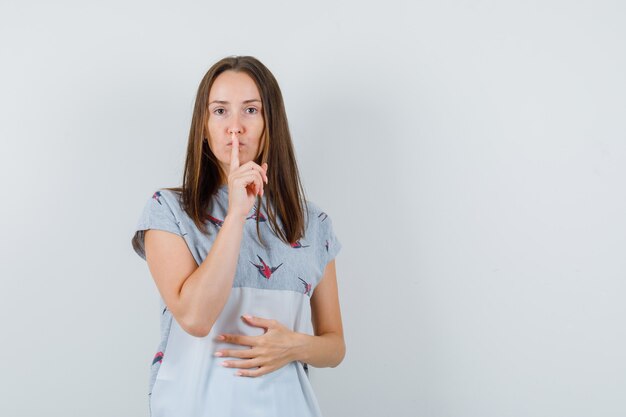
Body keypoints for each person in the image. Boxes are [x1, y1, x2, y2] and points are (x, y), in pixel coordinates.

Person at [130, 55, 345, 417]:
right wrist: (235, 215)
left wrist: (294, 346)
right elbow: (196, 319)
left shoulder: (313, 222)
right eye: (219, 111)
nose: (234, 127)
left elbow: (334, 345)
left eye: (250, 110)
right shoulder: (167, 211)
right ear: (203, 125)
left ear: (269, 123)